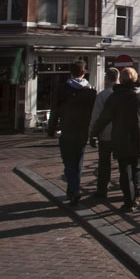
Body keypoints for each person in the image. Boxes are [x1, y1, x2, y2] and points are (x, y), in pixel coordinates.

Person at [91, 67, 140, 212]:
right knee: (137, 167)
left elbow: (104, 118)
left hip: (120, 137)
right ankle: (135, 197)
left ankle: (129, 201)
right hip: (137, 137)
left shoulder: (115, 97)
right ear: (134, 79)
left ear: (121, 79)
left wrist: (94, 132)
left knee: (124, 170)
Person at [48, 60, 97, 206]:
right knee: (78, 160)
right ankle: (74, 189)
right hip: (82, 131)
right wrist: (93, 131)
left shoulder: (61, 89)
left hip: (67, 129)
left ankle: (73, 190)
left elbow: (55, 110)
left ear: (71, 72)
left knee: (68, 161)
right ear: (84, 72)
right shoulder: (91, 91)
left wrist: (51, 129)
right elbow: (93, 114)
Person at [89, 68, 120, 198]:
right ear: (118, 78)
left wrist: (92, 133)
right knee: (123, 163)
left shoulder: (102, 95)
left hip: (105, 134)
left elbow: (96, 116)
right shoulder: (125, 94)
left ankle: (102, 189)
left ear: (107, 79)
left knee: (104, 163)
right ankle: (127, 189)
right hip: (121, 133)